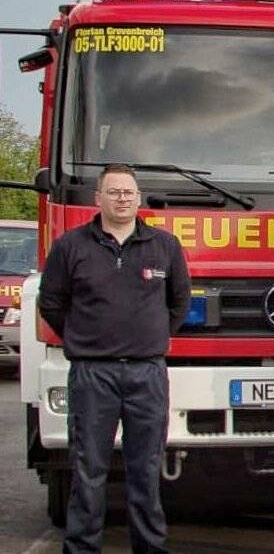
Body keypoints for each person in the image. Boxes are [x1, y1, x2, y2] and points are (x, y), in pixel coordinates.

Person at [39, 163, 190, 554]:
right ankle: (82, 548)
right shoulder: (71, 246)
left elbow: (179, 303)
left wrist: (149, 336)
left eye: (128, 192)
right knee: (89, 471)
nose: (122, 198)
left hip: (147, 374)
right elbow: (52, 303)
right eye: (114, 191)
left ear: (138, 198)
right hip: (93, 373)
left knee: (145, 470)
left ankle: (149, 547)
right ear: (99, 198)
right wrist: (81, 337)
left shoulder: (165, 246)